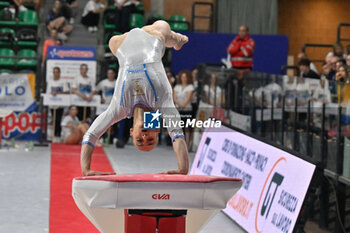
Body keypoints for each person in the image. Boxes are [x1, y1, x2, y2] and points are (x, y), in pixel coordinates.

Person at [80, 20, 189, 176]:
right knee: (168, 33)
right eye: (150, 140)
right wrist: (182, 169)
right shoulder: (162, 105)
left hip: (121, 43)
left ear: (132, 132)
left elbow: (91, 134)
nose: (144, 136)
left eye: (139, 140)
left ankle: (176, 40)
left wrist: (86, 169)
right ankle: (178, 39)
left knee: (111, 41)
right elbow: (177, 133)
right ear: (156, 129)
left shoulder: (120, 108)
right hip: (155, 36)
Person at [46, 67, 69, 138]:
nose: (56, 74)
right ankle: (54, 135)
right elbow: (48, 92)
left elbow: (66, 91)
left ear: (59, 73)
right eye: (54, 72)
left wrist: (58, 93)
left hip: (60, 105)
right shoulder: (50, 82)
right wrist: (52, 93)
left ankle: (58, 134)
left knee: (59, 120)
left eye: (57, 72)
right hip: (53, 104)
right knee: (54, 119)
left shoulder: (63, 81)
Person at [173, 70, 194, 147]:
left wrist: (182, 106)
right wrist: (179, 107)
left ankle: (187, 145)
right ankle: (177, 144)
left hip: (187, 110)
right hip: (177, 109)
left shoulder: (190, 87)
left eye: (185, 77)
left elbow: (188, 99)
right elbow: (174, 98)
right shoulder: (177, 87)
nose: (184, 79)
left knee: (186, 128)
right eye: (182, 77)